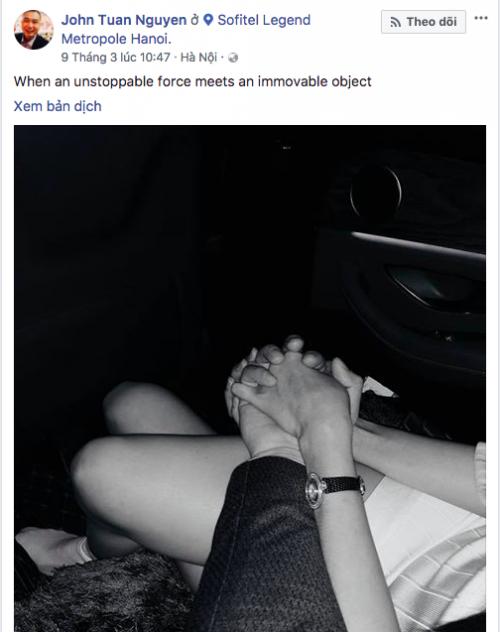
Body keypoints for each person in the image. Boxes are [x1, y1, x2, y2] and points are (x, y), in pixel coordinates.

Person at [17, 337, 485, 631]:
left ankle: (86, 556)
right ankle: (111, 547)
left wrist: (314, 444)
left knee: (102, 472)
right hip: (440, 516)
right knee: (133, 403)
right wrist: (343, 425)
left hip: (346, 606)